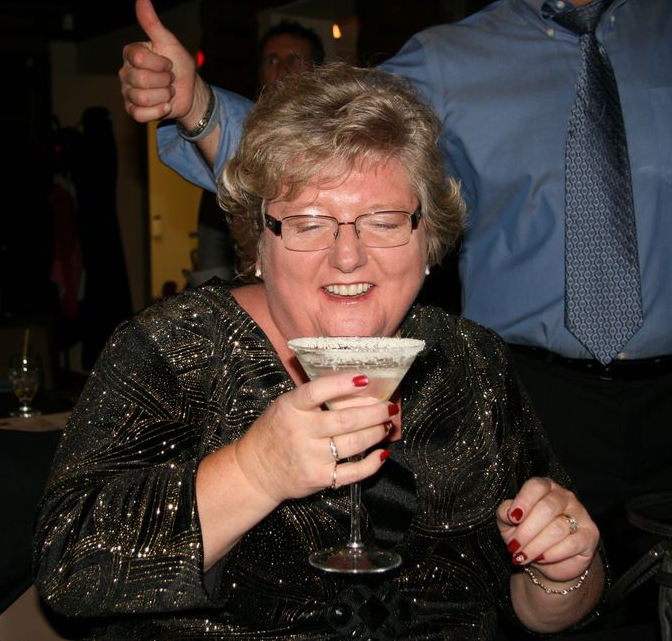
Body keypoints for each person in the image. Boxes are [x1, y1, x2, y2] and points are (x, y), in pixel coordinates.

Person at [117, 0, 672, 578]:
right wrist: (199, 107)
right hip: (538, 404)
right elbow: (321, 151)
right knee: (553, 600)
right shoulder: (448, 61)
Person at [34, 63, 605, 638]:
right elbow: (68, 573)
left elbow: (549, 606)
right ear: (259, 242)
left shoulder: (471, 360)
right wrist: (254, 472)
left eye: (383, 221)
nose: (348, 257)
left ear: (428, 239)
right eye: (308, 224)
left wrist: (558, 572)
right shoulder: (174, 348)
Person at [192, 19, 326, 286]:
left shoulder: (340, 143)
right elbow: (212, 256)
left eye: (295, 59)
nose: (283, 70)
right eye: (272, 60)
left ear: (317, 70)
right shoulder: (234, 141)